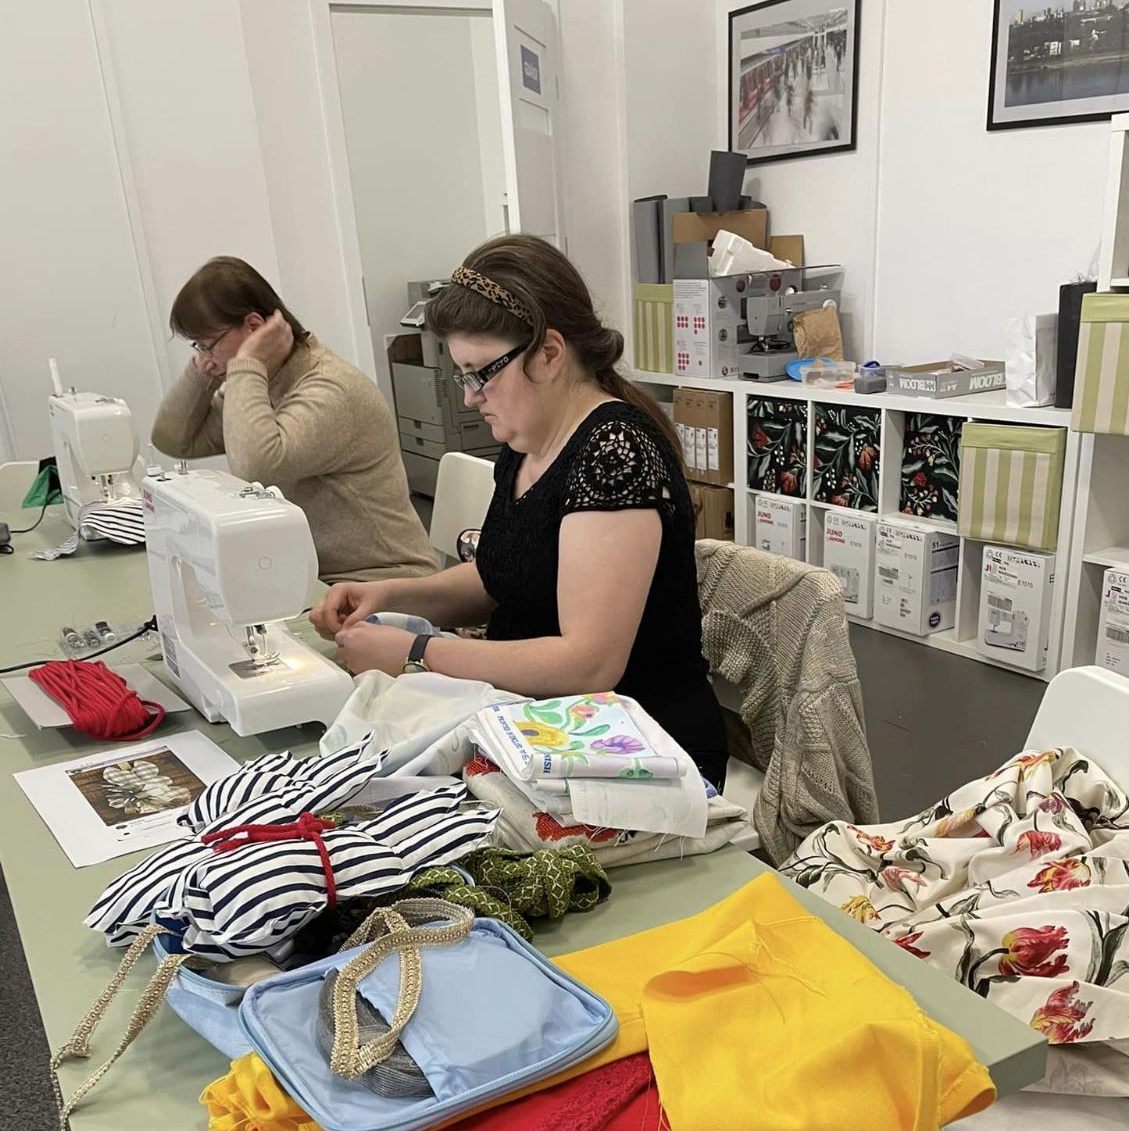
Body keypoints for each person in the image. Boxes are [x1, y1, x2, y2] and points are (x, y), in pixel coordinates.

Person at [310, 235, 727, 788]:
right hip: (542, 727)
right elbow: (500, 576)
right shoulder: (526, 443)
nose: (469, 397)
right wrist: (388, 594)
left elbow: (588, 664)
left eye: (480, 372)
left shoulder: (614, 452)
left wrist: (418, 652)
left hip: (638, 752)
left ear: (549, 353)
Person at [151, 256, 438, 583]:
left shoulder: (330, 388)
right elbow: (174, 440)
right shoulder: (264, 385)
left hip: (381, 580)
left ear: (254, 327)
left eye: (208, 346)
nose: (204, 359)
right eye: (197, 347)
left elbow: (255, 467)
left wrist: (246, 364)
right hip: (314, 577)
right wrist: (203, 374)